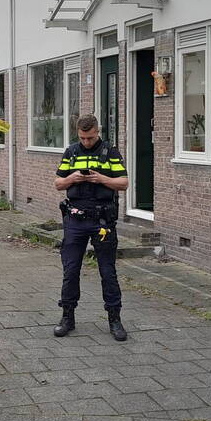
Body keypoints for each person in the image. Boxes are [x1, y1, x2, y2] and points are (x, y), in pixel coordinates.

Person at [53, 115, 129, 341]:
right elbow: (58, 183)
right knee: (71, 270)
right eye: (83, 138)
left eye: (91, 137)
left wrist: (101, 179)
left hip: (102, 220)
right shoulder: (71, 152)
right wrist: (72, 179)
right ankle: (67, 317)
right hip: (75, 221)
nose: (86, 142)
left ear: (98, 132)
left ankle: (115, 319)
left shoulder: (110, 152)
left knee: (108, 271)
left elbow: (123, 183)